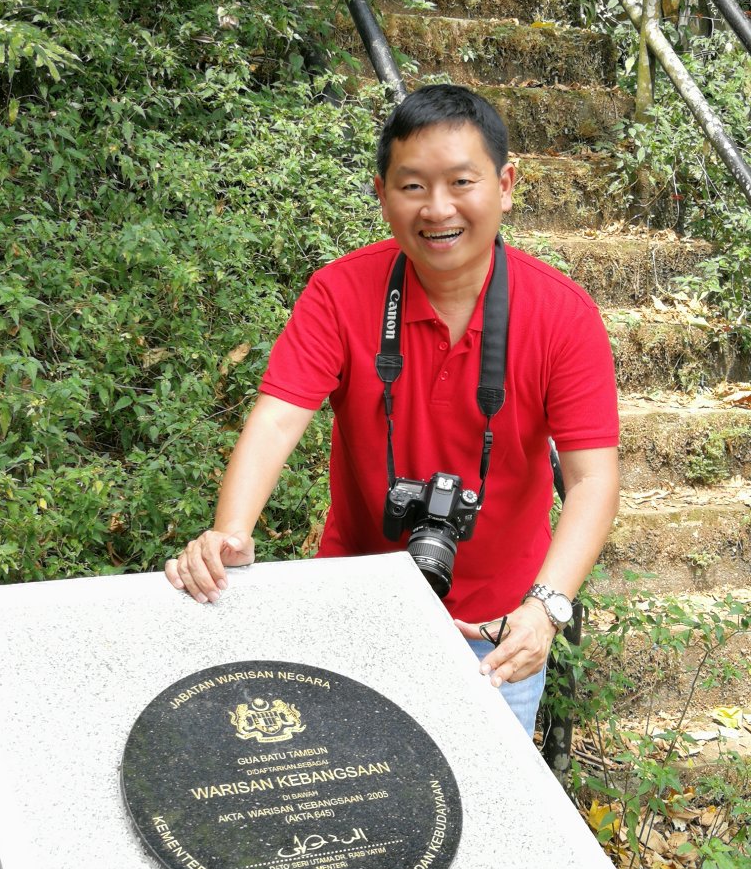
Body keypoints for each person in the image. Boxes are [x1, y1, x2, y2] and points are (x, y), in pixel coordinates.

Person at [165, 84, 620, 737]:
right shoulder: (340, 291)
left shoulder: (562, 314)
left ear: (506, 184)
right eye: (413, 187)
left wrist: (546, 608)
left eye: (461, 181)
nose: (438, 209)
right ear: (382, 194)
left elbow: (592, 479)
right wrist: (230, 533)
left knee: (487, 813)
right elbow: (277, 418)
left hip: (497, 629)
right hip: (355, 611)